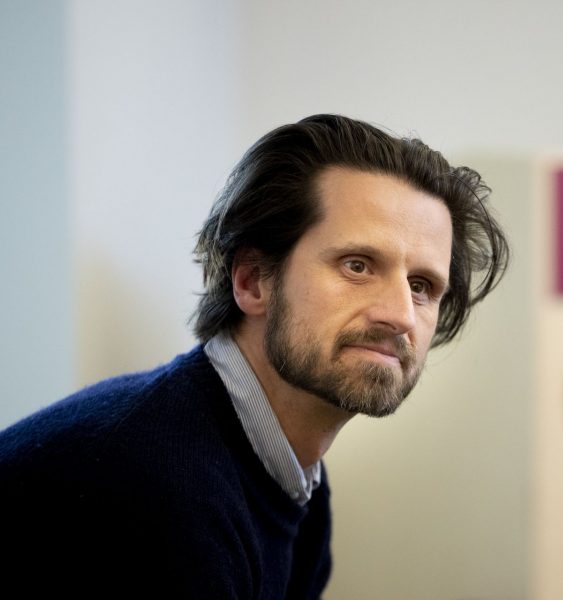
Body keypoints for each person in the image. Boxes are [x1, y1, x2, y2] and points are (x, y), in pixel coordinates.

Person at [0, 114, 509, 598]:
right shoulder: (159, 489)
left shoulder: (294, 479)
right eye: (357, 265)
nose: (400, 314)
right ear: (252, 281)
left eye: (422, 286)